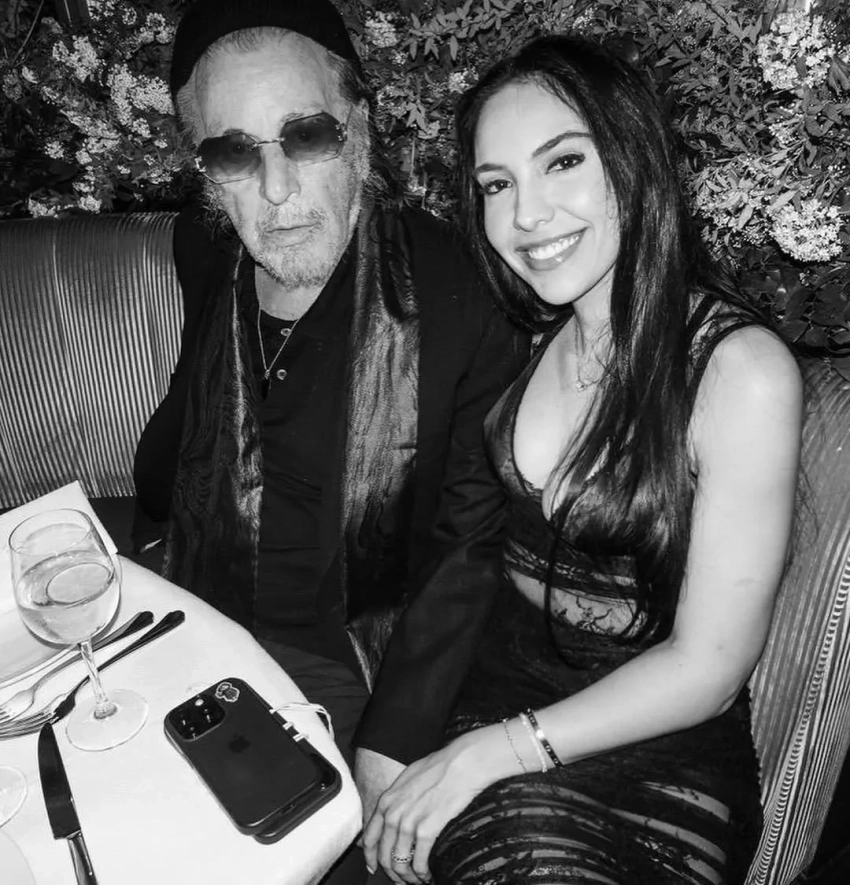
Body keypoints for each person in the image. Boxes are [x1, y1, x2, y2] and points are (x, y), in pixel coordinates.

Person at [361, 33, 804, 885]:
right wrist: (410, 732)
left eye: (562, 162)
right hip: (489, 700)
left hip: (658, 748)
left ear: (633, 164)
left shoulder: (737, 373)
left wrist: (497, 751)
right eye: (496, 184)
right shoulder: (531, 338)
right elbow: (461, 547)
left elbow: (710, 668)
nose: (525, 215)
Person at [133, 0, 526, 879]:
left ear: (362, 133)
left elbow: (472, 547)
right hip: (199, 626)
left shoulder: (461, 292)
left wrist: (391, 743)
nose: (275, 191)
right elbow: (176, 455)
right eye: (235, 154)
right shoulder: (208, 251)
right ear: (205, 173)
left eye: (306, 136)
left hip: (361, 660)